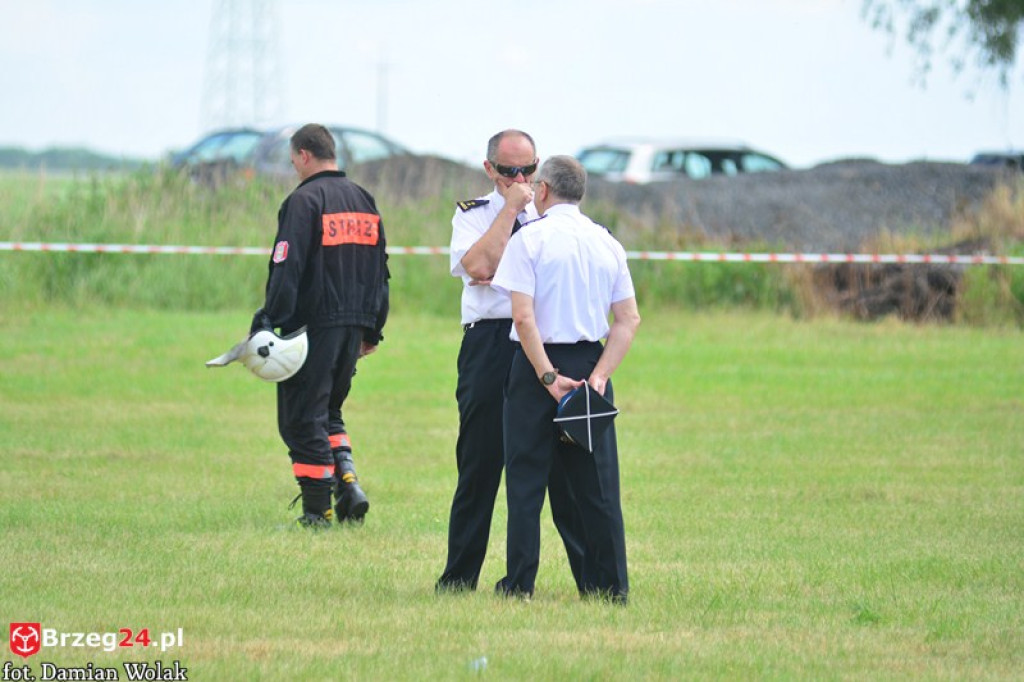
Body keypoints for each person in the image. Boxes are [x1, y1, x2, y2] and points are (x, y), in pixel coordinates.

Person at [437, 130, 585, 591]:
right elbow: (480, 267)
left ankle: (592, 579)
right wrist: (508, 212)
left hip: (541, 341)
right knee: (479, 463)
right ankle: (460, 577)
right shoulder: (474, 214)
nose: (520, 180)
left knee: (563, 467)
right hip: (489, 343)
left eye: (528, 170)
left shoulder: (554, 217)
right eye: (508, 171)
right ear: (490, 170)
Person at [491, 155, 641, 602]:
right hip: (590, 364)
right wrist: (599, 377)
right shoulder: (607, 242)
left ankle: (520, 584)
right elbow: (628, 319)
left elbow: (523, 318)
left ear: (542, 190)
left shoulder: (529, 239)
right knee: (598, 485)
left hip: (536, 367)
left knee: (525, 482)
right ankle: (611, 588)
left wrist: (547, 377)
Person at [249, 123, 390, 528]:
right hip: (355, 325)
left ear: (304, 155)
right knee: (329, 410)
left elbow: (287, 265)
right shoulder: (363, 199)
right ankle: (348, 485)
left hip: (313, 328)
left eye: (293, 159)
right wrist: (372, 328)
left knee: (301, 417)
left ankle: (317, 513)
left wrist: (270, 318)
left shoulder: (303, 201)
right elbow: (381, 270)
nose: (293, 166)